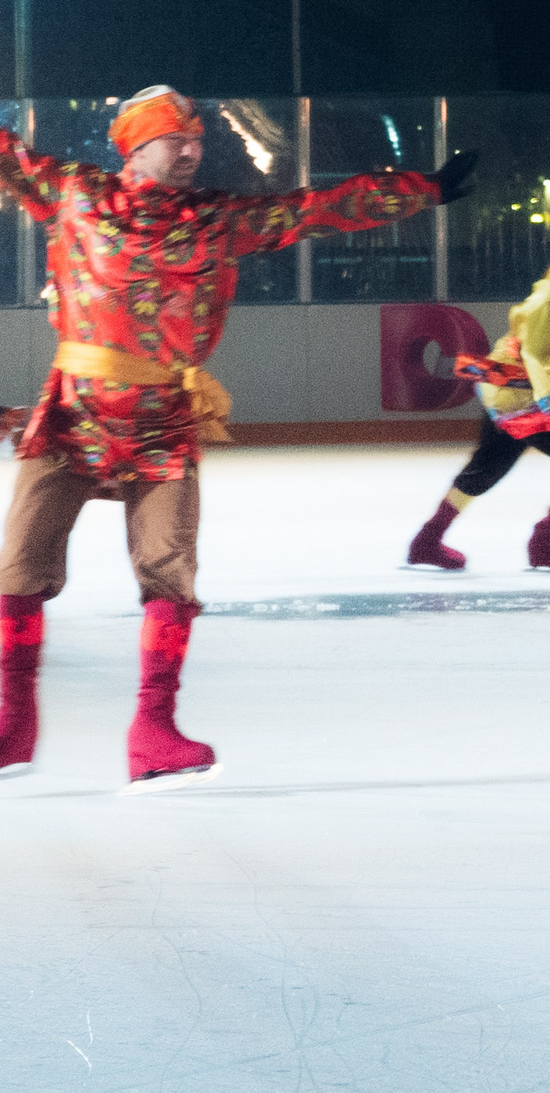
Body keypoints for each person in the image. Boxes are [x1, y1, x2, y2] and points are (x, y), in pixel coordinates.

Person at [0, 87, 468, 789]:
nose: (191, 151)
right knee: (18, 567)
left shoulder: (217, 219)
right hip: (74, 412)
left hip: (164, 419)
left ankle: (153, 730)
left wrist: (420, 190)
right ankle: (12, 722)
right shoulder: (73, 193)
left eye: (196, 140)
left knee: (169, 570)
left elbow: (319, 209)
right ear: (134, 144)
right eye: (174, 139)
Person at [409, 194, 550, 575]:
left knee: (488, 465)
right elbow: (540, 354)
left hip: (509, 387)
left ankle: (427, 540)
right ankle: (545, 542)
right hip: (522, 395)